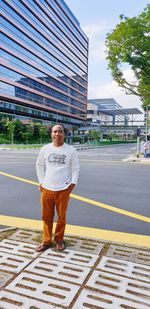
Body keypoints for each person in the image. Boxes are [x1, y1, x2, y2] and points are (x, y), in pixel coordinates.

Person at [36, 124, 79, 252]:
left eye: (60, 131)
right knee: (46, 216)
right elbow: (39, 165)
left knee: (61, 217)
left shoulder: (70, 150)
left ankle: (59, 239)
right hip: (47, 188)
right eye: (55, 131)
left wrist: (72, 184)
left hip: (63, 189)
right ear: (51, 134)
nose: (57, 134)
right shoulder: (45, 149)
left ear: (64, 134)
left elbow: (75, 168)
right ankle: (47, 240)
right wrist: (41, 182)